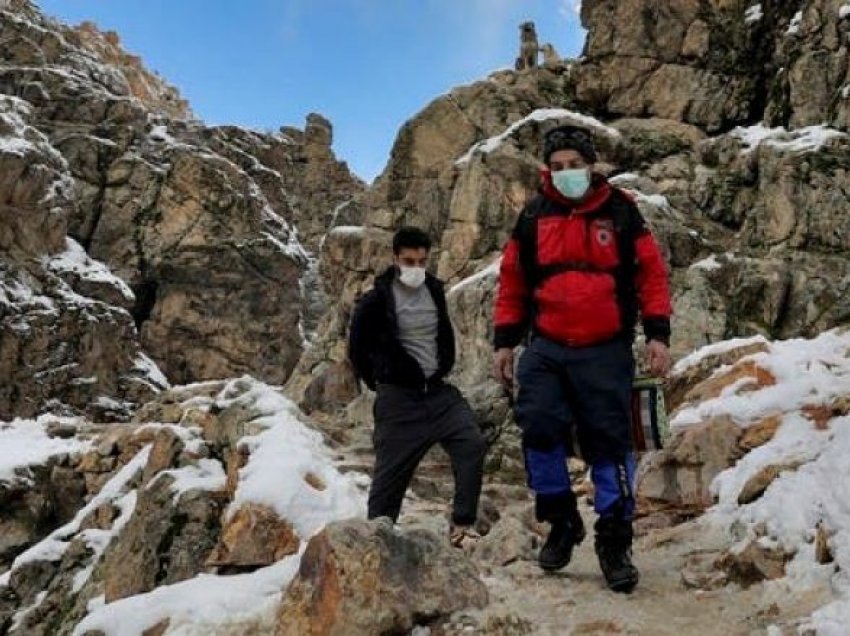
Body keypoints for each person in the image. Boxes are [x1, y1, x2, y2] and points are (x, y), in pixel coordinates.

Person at [492, 125, 673, 593]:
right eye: (558, 166)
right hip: (547, 345)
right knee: (537, 426)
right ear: (546, 170)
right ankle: (561, 521)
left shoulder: (622, 211)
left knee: (609, 443)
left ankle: (614, 541)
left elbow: (650, 275)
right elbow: (512, 282)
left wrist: (658, 335)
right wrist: (505, 343)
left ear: (591, 166)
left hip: (605, 347)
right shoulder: (533, 216)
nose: (567, 173)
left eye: (575, 164)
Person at [349, 226, 487, 548]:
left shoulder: (434, 290)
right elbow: (357, 349)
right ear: (395, 258)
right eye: (409, 261)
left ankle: (462, 523)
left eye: (422, 261)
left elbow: (443, 332)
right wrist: (382, 381)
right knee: (387, 484)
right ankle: (376, 545)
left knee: (472, 444)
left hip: (438, 393)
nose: (415, 268)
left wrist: (444, 363)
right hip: (398, 401)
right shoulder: (374, 301)